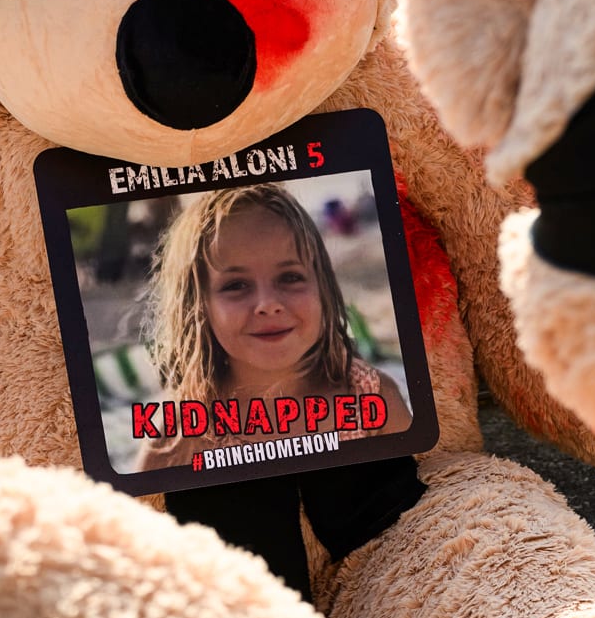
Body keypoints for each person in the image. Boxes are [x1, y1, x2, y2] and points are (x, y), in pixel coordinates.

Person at [130, 184, 409, 473]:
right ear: (198, 307)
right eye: (236, 285)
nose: (268, 303)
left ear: (323, 289)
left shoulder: (370, 398)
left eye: (289, 277)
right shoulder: (180, 432)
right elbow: (133, 515)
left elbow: (429, 500)